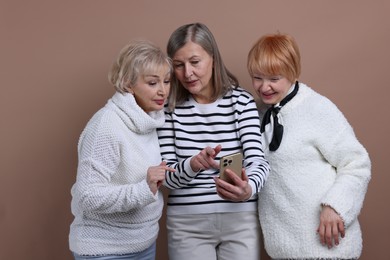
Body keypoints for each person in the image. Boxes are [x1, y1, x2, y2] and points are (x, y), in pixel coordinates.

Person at [247, 33, 371, 260]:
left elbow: (356, 163)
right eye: (257, 77)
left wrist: (335, 206)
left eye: (274, 78)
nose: (264, 87)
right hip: (284, 250)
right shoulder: (255, 114)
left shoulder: (316, 108)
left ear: (292, 73)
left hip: (329, 248)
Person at [157, 22, 270, 260]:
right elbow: (165, 176)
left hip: (240, 219)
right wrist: (193, 164)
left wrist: (247, 190)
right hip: (187, 224)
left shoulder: (241, 102)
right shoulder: (168, 109)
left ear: (213, 59)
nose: (187, 73)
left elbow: (258, 162)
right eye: (178, 65)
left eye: (195, 62)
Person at [69, 40, 175, 260]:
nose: (163, 90)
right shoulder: (106, 126)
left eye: (166, 81)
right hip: (104, 249)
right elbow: (87, 196)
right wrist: (144, 189)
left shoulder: (150, 120)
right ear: (128, 84)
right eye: (152, 82)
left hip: (143, 244)